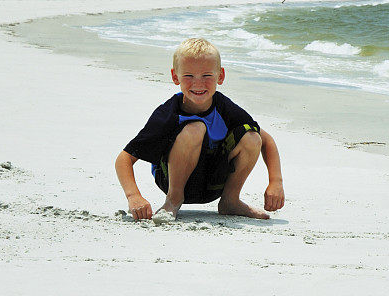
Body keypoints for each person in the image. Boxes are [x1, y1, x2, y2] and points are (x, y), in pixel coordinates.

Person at [115, 37, 284, 221]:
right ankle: (173, 201)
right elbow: (124, 159)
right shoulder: (167, 114)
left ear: (220, 76)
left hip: (212, 185)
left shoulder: (225, 108)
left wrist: (276, 182)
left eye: (207, 76)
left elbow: (265, 140)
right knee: (195, 127)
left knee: (252, 136)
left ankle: (230, 201)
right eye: (188, 76)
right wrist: (134, 197)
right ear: (175, 76)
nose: (198, 83)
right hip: (172, 181)